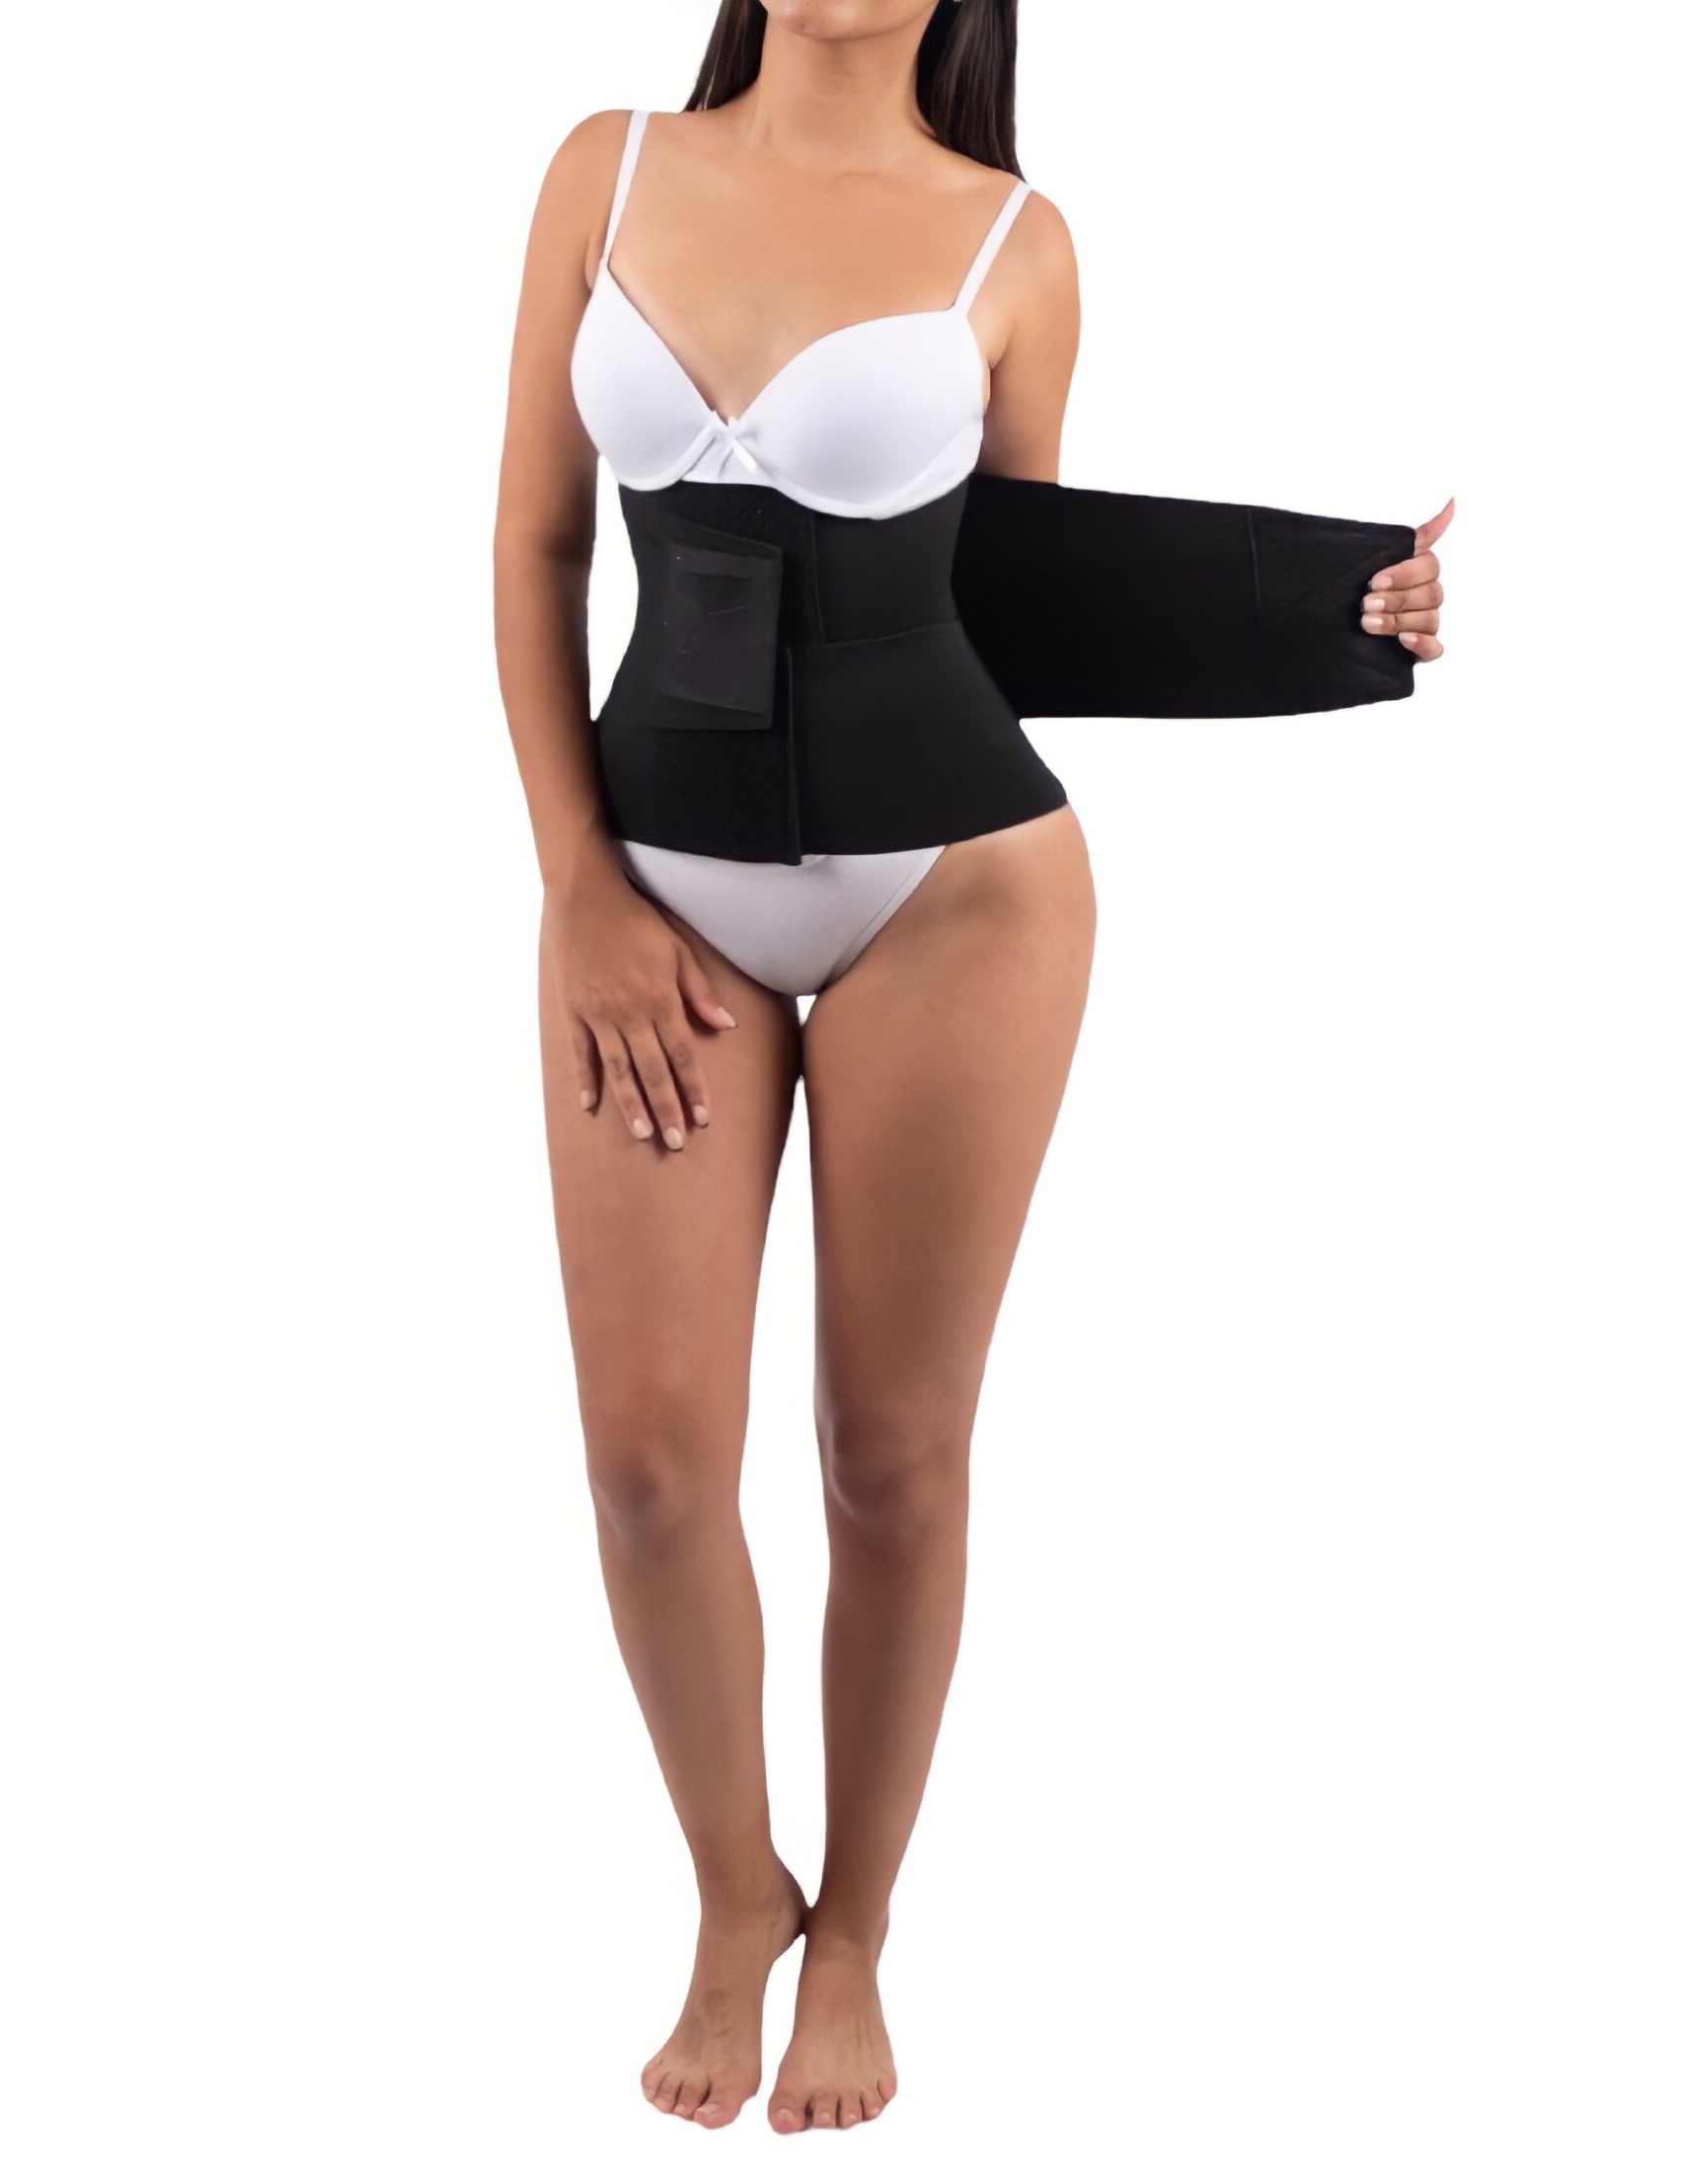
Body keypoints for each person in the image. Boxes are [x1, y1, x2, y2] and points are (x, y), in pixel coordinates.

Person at [492, 0, 1449, 2136]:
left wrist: (1339, 613)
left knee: (891, 1456)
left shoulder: (1017, 237)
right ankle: (736, 1891)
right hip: (651, 898)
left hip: (959, 892)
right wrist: (576, 887)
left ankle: (856, 1929)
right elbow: (536, 544)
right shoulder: (604, 167)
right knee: (648, 1466)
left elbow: (1014, 602)